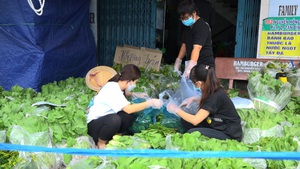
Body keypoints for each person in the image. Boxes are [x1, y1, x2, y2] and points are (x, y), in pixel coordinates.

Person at [86, 64, 163, 149]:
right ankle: (101, 143)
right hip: (95, 127)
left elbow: (124, 94)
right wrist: (149, 103)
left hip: (105, 122)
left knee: (127, 117)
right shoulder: (112, 88)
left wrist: (135, 94)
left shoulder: (117, 86)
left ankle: (115, 137)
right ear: (129, 81)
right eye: (135, 82)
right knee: (115, 119)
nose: (135, 85)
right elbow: (128, 109)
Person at [167, 64, 242, 141]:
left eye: (194, 84)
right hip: (217, 124)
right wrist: (195, 99)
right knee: (185, 121)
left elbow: (195, 120)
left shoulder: (214, 96)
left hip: (229, 134)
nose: (195, 87)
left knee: (191, 133)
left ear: (199, 83)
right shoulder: (214, 89)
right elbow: (213, 104)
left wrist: (176, 109)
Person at [174, 0, 215, 78]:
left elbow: (197, 48)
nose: (184, 20)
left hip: (204, 66)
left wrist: (190, 67)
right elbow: (184, 44)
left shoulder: (201, 27)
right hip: (193, 64)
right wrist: (178, 61)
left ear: (194, 13)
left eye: (186, 18)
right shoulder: (188, 27)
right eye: (182, 19)